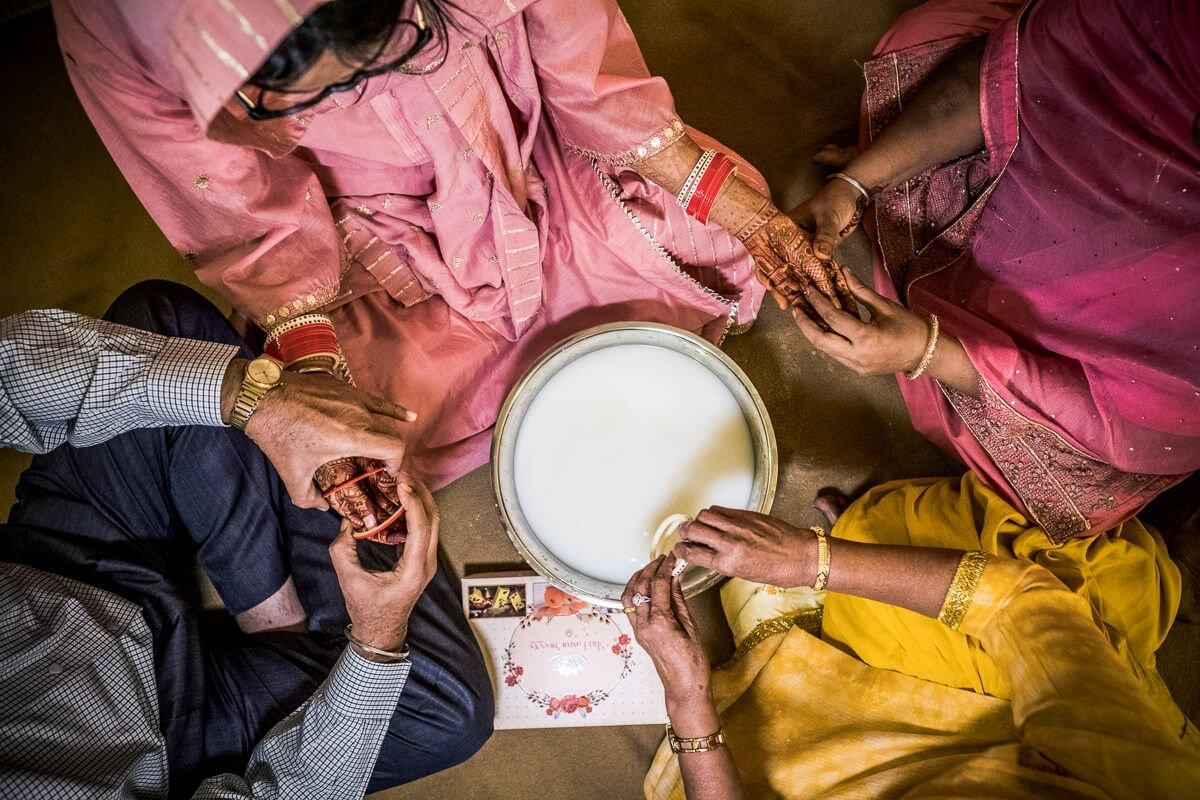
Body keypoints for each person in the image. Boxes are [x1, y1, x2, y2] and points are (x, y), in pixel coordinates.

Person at [51, 0, 852, 536]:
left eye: (387, 51)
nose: (360, 86)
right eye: (300, 94)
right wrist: (315, 367)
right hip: (376, 241)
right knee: (364, 432)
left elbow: (587, 77)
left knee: (723, 222)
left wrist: (739, 209)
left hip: (526, 155)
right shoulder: (121, 33)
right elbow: (241, 217)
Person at [0, 281, 492, 797]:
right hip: (178, 747)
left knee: (163, 324)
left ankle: (273, 611)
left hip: (54, 579)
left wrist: (243, 394)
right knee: (443, 713)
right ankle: (285, 611)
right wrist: (375, 641)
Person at [787, 0, 1199, 539]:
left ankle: (951, 329)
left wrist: (930, 353)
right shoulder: (1170, 21)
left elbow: (1156, 416)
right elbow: (1022, 70)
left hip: (1093, 372)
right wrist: (857, 184)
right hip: (1030, 181)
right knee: (926, 36)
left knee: (1033, 497)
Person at [625, 503, 1200, 799]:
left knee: (886, 540)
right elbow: (1017, 602)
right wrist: (813, 559)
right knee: (1113, 573)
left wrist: (689, 701)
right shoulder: (1134, 778)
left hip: (846, 774)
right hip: (1032, 721)